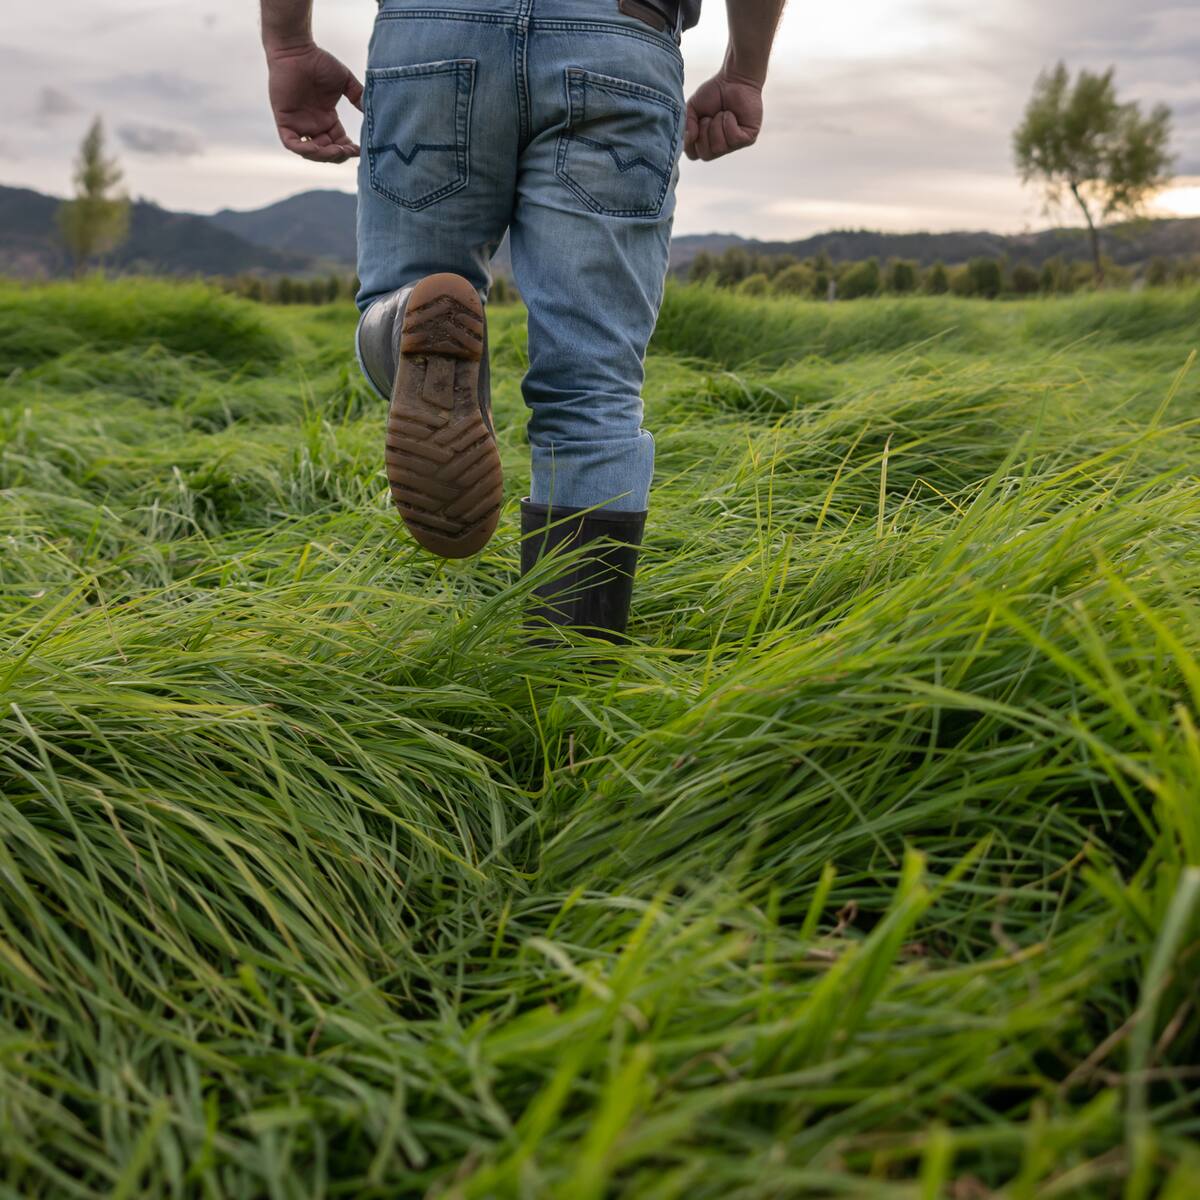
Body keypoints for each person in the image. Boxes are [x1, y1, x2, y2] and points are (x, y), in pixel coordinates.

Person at [261, 0, 785, 638]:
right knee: (593, 391)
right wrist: (743, 70)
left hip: (434, 29)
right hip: (623, 36)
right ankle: (570, 675)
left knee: (404, 289)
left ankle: (403, 324)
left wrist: (289, 45)